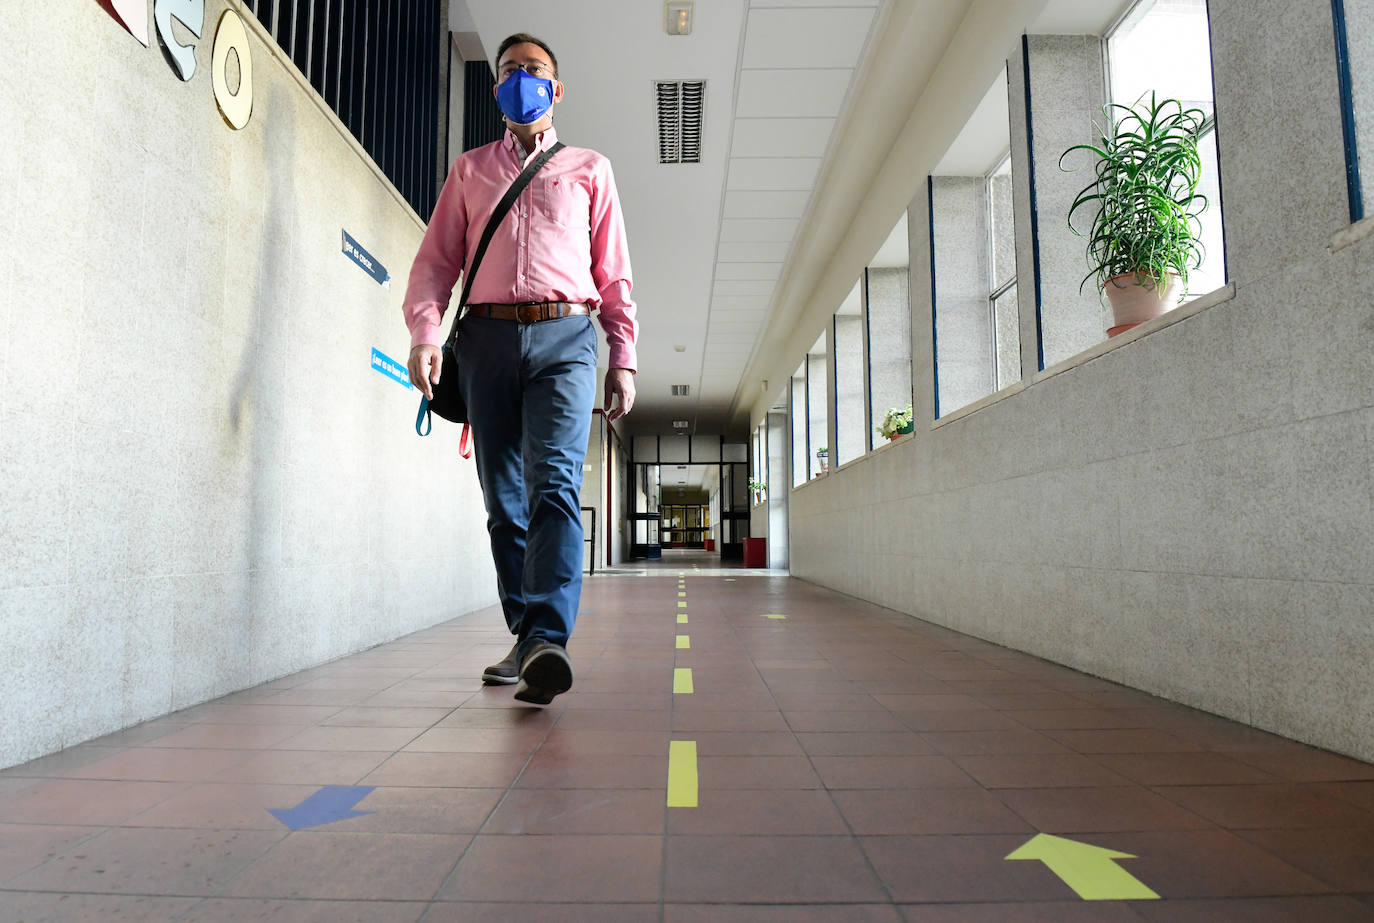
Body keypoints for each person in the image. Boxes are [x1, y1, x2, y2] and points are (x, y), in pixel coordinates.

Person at [402, 32, 637, 705]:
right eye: (509, 71)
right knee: (504, 502)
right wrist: (425, 334)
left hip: (567, 338)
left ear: (556, 90)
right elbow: (435, 264)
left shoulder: (591, 169)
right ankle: (528, 634)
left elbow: (614, 273)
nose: (521, 81)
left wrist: (623, 354)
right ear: (496, 86)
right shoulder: (470, 171)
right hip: (486, 342)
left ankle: (548, 638)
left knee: (553, 485)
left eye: (534, 71)